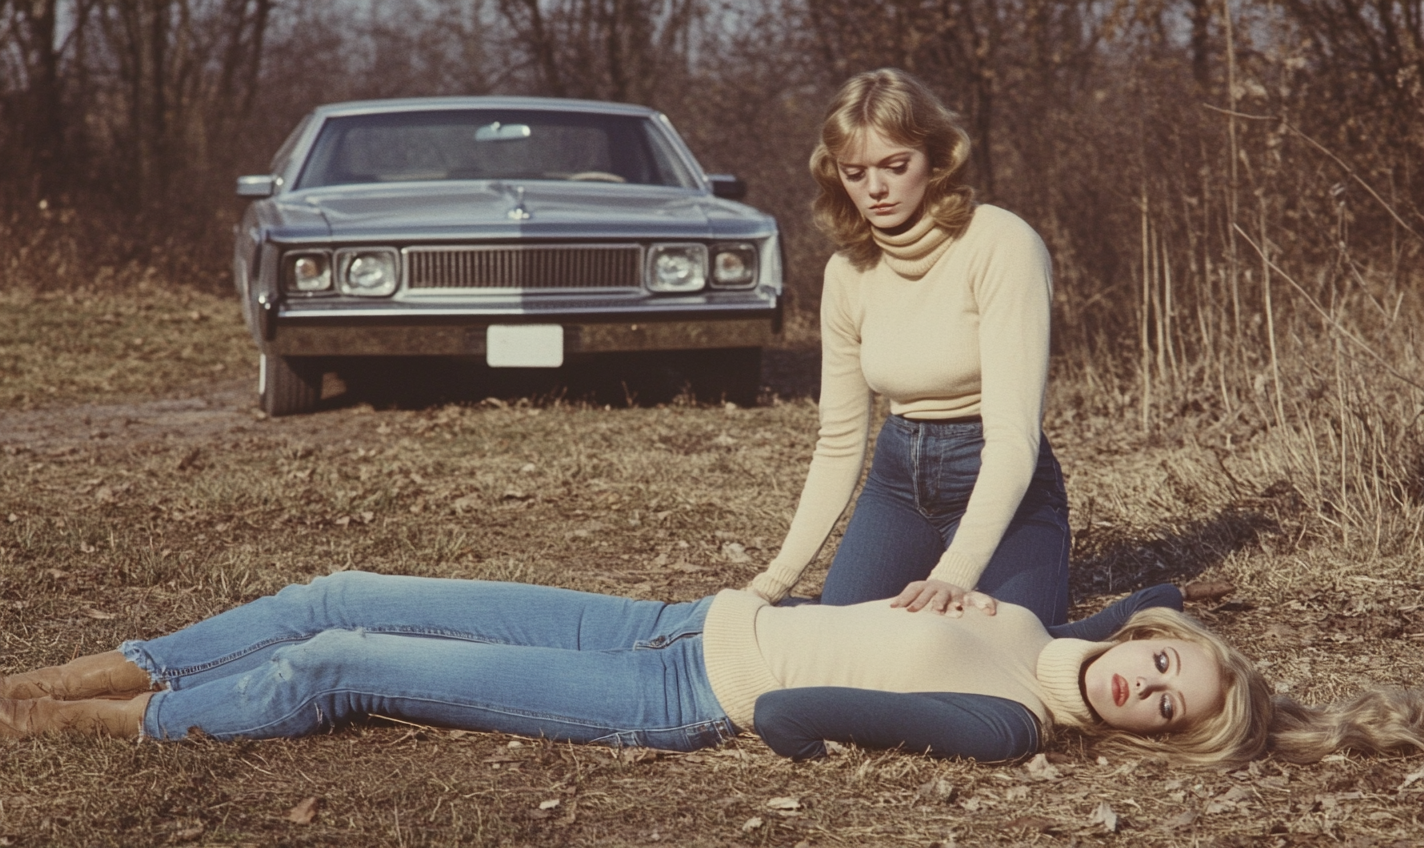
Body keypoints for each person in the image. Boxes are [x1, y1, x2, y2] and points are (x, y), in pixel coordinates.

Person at [4, 570, 1401, 769]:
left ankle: (128, 724)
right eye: (1168, 671)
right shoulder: (1051, 618)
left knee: (340, 662)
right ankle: (106, 661)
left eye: (1166, 714)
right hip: (655, 613)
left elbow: (794, 710)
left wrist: (917, 696)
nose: (1144, 690)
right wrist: (1298, 703)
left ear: (1145, 738)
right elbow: (1148, 600)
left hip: (674, 693)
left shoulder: (1007, 723)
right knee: (344, 583)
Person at [745, 68, 1070, 623]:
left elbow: (1014, 438)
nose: (875, 188)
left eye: (896, 166)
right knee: (845, 633)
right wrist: (770, 584)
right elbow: (839, 441)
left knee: (998, 642)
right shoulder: (847, 270)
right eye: (855, 172)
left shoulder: (1001, 242)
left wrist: (953, 574)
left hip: (998, 477)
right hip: (898, 481)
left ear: (937, 159)